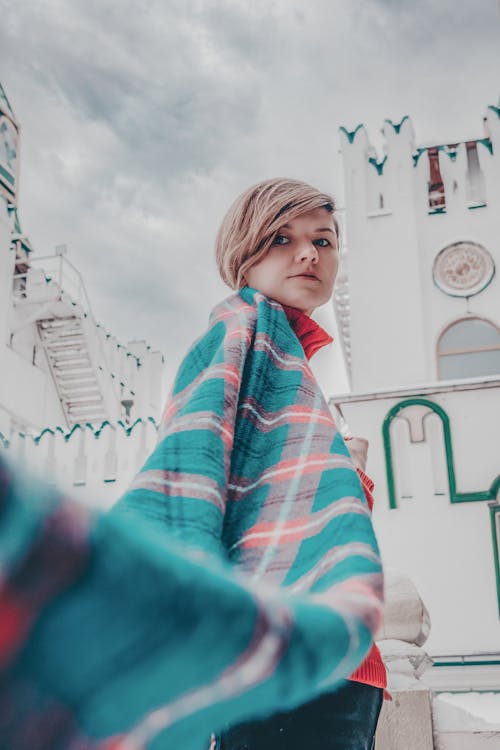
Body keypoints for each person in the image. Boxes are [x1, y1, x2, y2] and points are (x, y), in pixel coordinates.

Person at [114, 178, 386, 749]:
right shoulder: (238, 340)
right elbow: (186, 480)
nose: (310, 253)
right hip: (282, 657)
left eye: (325, 240)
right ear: (244, 252)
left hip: (338, 658)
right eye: (283, 237)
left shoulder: (293, 370)